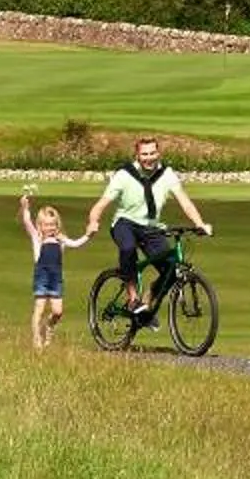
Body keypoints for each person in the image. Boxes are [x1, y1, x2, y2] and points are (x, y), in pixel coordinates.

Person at [83, 135, 211, 316]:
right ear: (137, 155)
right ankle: (133, 298)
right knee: (127, 249)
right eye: (144, 154)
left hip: (151, 228)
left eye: (152, 153)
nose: (149, 158)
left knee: (172, 271)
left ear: (159, 153)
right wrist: (93, 222)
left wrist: (200, 224)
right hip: (125, 223)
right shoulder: (124, 175)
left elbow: (185, 202)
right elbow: (101, 204)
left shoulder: (166, 174)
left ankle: (149, 296)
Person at [19, 186, 90, 349]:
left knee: (58, 311)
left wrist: (88, 235)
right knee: (39, 308)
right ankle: (37, 340)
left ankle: (49, 326)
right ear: (40, 226)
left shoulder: (61, 239)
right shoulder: (38, 238)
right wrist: (25, 207)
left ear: (57, 224)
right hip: (41, 277)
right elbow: (27, 222)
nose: (50, 228)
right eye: (46, 225)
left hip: (56, 279)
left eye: (52, 225)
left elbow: (76, 243)